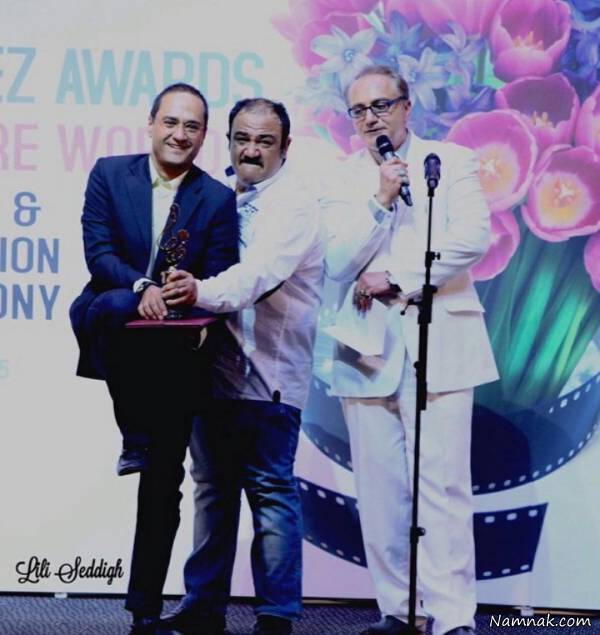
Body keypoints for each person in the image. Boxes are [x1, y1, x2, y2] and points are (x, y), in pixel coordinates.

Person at [324, 65, 499, 635]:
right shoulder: (342, 178)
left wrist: (397, 276)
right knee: (380, 492)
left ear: (406, 106)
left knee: (442, 485)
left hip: (441, 338)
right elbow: (339, 261)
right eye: (358, 110)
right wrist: (379, 200)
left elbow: (470, 239)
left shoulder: (450, 161)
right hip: (366, 346)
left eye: (380, 105)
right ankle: (400, 611)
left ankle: (452, 617)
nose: (370, 119)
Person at [69, 83, 238, 634]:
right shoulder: (109, 174)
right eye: (171, 122)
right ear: (150, 123)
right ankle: (132, 432)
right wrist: (142, 286)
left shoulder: (216, 198)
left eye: (191, 126)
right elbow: (99, 253)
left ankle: (144, 610)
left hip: (175, 348)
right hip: (118, 315)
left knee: (163, 481)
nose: (179, 134)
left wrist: (187, 288)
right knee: (109, 305)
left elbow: (221, 271)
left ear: (204, 136)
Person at [158, 98, 325, 635]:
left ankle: (276, 615)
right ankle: (203, 608)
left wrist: (196, 291)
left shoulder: (295, 205)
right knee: (211, 490)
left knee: (270, 492)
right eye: (241, 138)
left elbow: (257, 277)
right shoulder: (217, 195)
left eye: (264, 141)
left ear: (285, 147)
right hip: (212, 372)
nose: (251, 150)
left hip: (269, 376)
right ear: (227, 140)